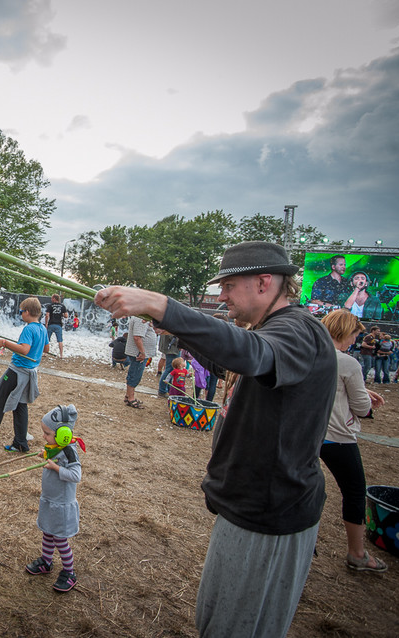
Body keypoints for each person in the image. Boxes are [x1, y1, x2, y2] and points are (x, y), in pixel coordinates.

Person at [94, 241, 337, 638]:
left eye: (228, 285)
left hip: (269, 514)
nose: (221, 295)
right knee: (214, 623)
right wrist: (172, 325)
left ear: (264, 282)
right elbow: (231, 354)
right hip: (245, 507)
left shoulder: (299, 330)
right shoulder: (270, 329)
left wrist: (161, 305)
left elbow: (252, 355)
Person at [319, 309, 388, 572]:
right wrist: (365, 399)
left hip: (310, 433)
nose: (354, 342)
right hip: (338, 437)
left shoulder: (312, 353)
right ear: (345, 332)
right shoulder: (348, 363)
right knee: (355, 491)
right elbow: (360, 407)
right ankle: (357, 553)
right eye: (354, 336)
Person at [0, 297, 48, 452]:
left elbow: (24, 350)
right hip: (29, 373)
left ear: (27, 312)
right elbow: (46, 349)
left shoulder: (29, 328)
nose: (21, 314)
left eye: (21, 312)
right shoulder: (42, 328)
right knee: (20, 406)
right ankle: (20, 443)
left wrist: (5, 344)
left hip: (17, 371)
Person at [25, 404, 84, 593]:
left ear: (63, 435)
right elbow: (53, 454)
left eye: (47, 433)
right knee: (47, 532)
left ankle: (69, 572)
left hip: (62, 504)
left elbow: (76, 475)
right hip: (50, 500)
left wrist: (56, 468)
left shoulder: (69, 450)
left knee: (60, 539)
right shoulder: (57, 446)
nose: (44, 436)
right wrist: (46, 454)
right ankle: (46, 561)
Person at [122, 315, 157, 409]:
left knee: (134, 373)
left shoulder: (143, 317)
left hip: (139, 352)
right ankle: (131, 398)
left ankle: (128, 395)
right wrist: (142, 352)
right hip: (138, 353)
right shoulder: (140, 318)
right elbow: (137, 337)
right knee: (135, 374)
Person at [156, 329, 180, 398]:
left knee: (170, 369)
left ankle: (168, 389)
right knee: (170, 369)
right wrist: (180, 343)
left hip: (169, 347)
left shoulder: (168, 320)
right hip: (172, 348)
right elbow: (172, 335)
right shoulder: (173, 321)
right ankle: (162, 390)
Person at [45, 294, 66, 358]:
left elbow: (47, 315)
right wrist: (61, 314)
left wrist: (46, 324)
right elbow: (66, 316)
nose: (51, 299)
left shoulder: (50, 306)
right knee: (60, 340)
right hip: (58, 325)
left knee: (47, 339)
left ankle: (45, 353)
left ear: (54, 298)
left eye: (52, 298)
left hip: (51, 324)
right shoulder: (62, 306)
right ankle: (61, 355)